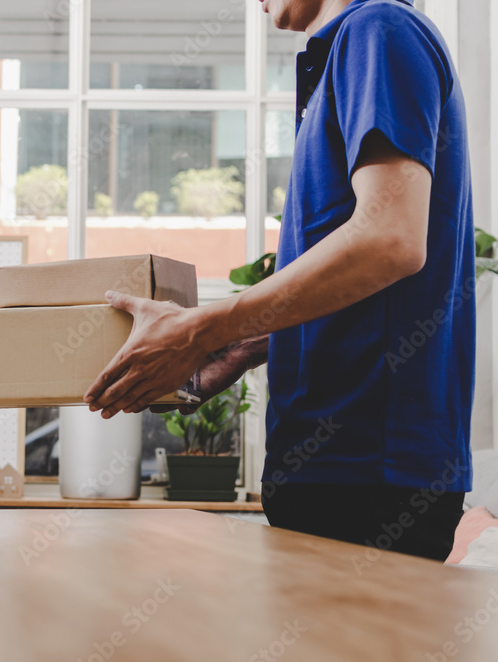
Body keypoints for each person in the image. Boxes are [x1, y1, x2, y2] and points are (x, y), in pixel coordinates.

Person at [84, 0, 474, 561]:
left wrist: (199, 329)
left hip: (367, 475)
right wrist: (243, 345)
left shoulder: (380, 30)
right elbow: (367, 282)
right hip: (336, 469)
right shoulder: (354, 47)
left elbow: (390, 238)